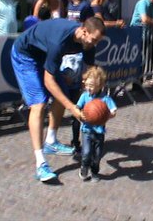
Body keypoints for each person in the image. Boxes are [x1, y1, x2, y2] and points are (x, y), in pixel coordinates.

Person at [11, 17, 105, 182]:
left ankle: (51, 141)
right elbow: (48, 81)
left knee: (63, 92)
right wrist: (72, 108)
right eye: (94, 39)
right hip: (25, 54)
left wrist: (96, 100)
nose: (95, 44)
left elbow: (91, 72)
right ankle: (40, 163)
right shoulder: (59, 40)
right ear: (84, 31)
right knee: (38, 104)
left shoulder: (88, 43)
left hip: (43, 55)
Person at [76, 66, 117, 182]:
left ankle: (94, 172)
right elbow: (76, 107)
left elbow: (114, 111)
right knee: (86, 153)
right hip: (86, 130)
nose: (88, 88)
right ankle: (84, 166)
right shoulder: (84, 96)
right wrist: (80, 114)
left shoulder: (105, 99)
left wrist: (107, 115)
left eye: (91, 86)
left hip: (99, 132)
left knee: (98, 156)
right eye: (86, 85)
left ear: (100, 86)